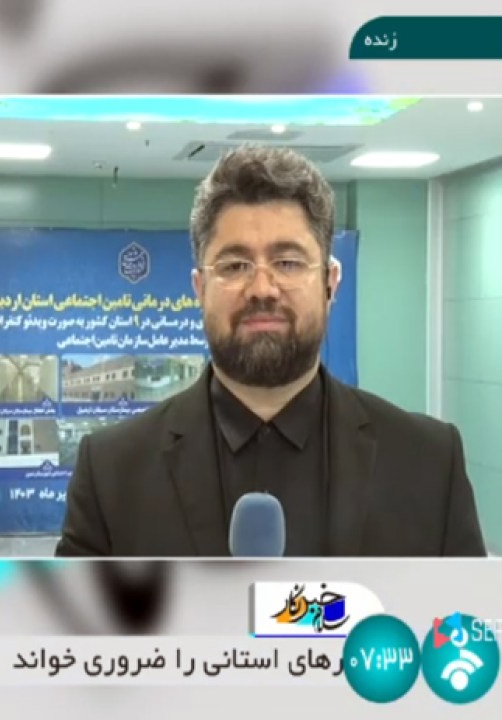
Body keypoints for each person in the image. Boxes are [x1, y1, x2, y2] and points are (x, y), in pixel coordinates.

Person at [56, 145, 486, 558]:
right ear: (200, 289)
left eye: (288, 263)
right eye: (235, 266)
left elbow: (464, 611)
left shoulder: (428, 463)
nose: (262, 289)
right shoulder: (112, 472)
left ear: (331, 282)